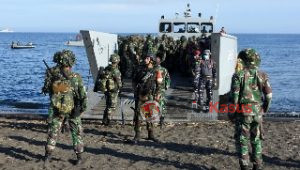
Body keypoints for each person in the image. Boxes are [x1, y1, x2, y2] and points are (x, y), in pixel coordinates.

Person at [42, 49, 87, 165]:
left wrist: (51, 114)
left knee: (53, 134)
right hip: (73, 110)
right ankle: (79, 158)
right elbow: (83, 96)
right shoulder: (76, 77)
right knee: (76, 134)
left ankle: (47, 158)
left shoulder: (55, 77)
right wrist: (81, 109)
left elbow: (51, 95)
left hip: (58, 111)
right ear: (71, 63)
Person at [232, 48, 272, 170]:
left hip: (243, 113)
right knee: (256, 140)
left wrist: (232, 113)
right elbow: (269, 96)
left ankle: (244, 166)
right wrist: (264, 109)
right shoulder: (263, 75)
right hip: (257, 113)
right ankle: (257, 165)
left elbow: (234, 97)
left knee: (242, 140)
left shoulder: (238, 75)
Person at [132, 53, 158, 143]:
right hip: (140, 95)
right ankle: (137, 135)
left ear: (151, 60)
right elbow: (134, 81)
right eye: (145, 58)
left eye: (147, 58)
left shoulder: (155, 70)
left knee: (149, 115)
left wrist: (157, 94)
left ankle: (151, 135)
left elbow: (159, 84)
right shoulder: (140, 68)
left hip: (150, 95)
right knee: (138, 115)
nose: (145, 59)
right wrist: (135, 92)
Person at [94, 54, 122, 126]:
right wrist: (120, 87)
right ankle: (108, 120)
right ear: (117, 61)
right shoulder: (116, 71)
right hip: (113, 90)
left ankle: (104, 120)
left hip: (107, 89)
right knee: (112, 106)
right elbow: (119, 82)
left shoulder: (107, 68)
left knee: (108, 105)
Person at [154, 53, 171, 127]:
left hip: (160, 89)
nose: (156, 61)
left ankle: (161, 119)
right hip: (155, 89)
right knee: (159, 103)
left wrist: (166, 86)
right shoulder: (152, 69)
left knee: (161, 103)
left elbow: (168, 78)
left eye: (157, 60)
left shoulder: (163, 69)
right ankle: (159, 118)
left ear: (160, 61)